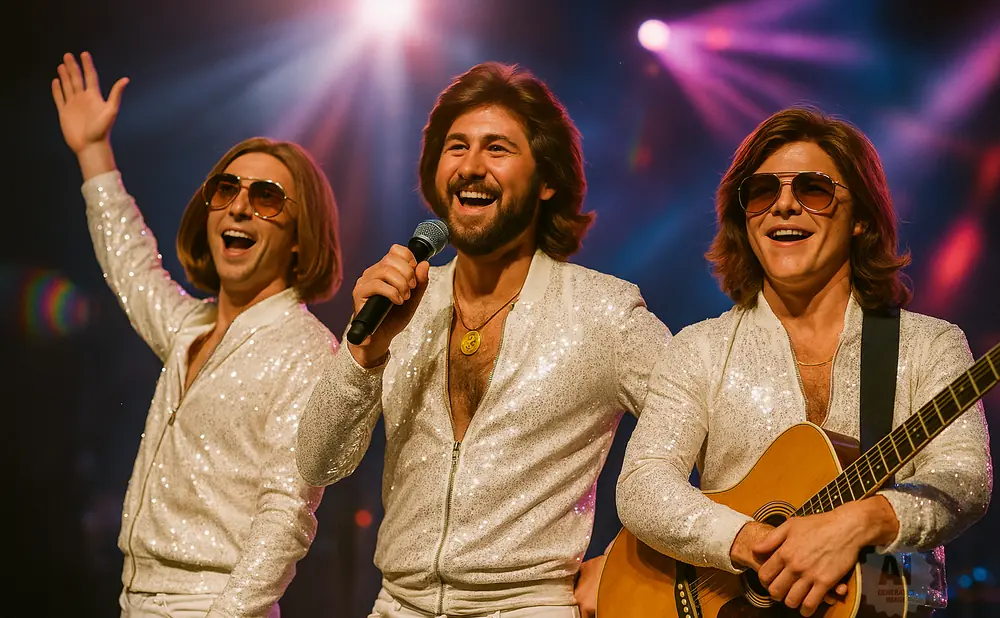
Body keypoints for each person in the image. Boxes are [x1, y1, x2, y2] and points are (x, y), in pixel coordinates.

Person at [295, 62, 672, 617]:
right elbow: (316, 462)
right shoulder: (404, 304)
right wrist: (365, 353)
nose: (471, 167)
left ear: (547, 180)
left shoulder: (604, 313)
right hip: (394, 606)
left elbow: (715, 436)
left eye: (497, 149)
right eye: (456, 147)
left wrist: (629, 560)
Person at [616, 106, 992, 617]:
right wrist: (748, 541)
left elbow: (965, 477)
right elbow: (642, 483)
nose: (784, 206)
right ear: (743, 218)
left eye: (813, 190)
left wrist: (861, 521)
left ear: (860, 217)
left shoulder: (929, 344)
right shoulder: (699, 349)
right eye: (763, 192)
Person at [52, 51, 343, 618]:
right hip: (138, 601)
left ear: (300, 237)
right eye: (227, 189)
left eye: (265, 198)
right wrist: (93, 153)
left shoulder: (308, 353)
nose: (238, 206)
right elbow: (131, 266)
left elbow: (286, 514)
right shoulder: (191, 327)